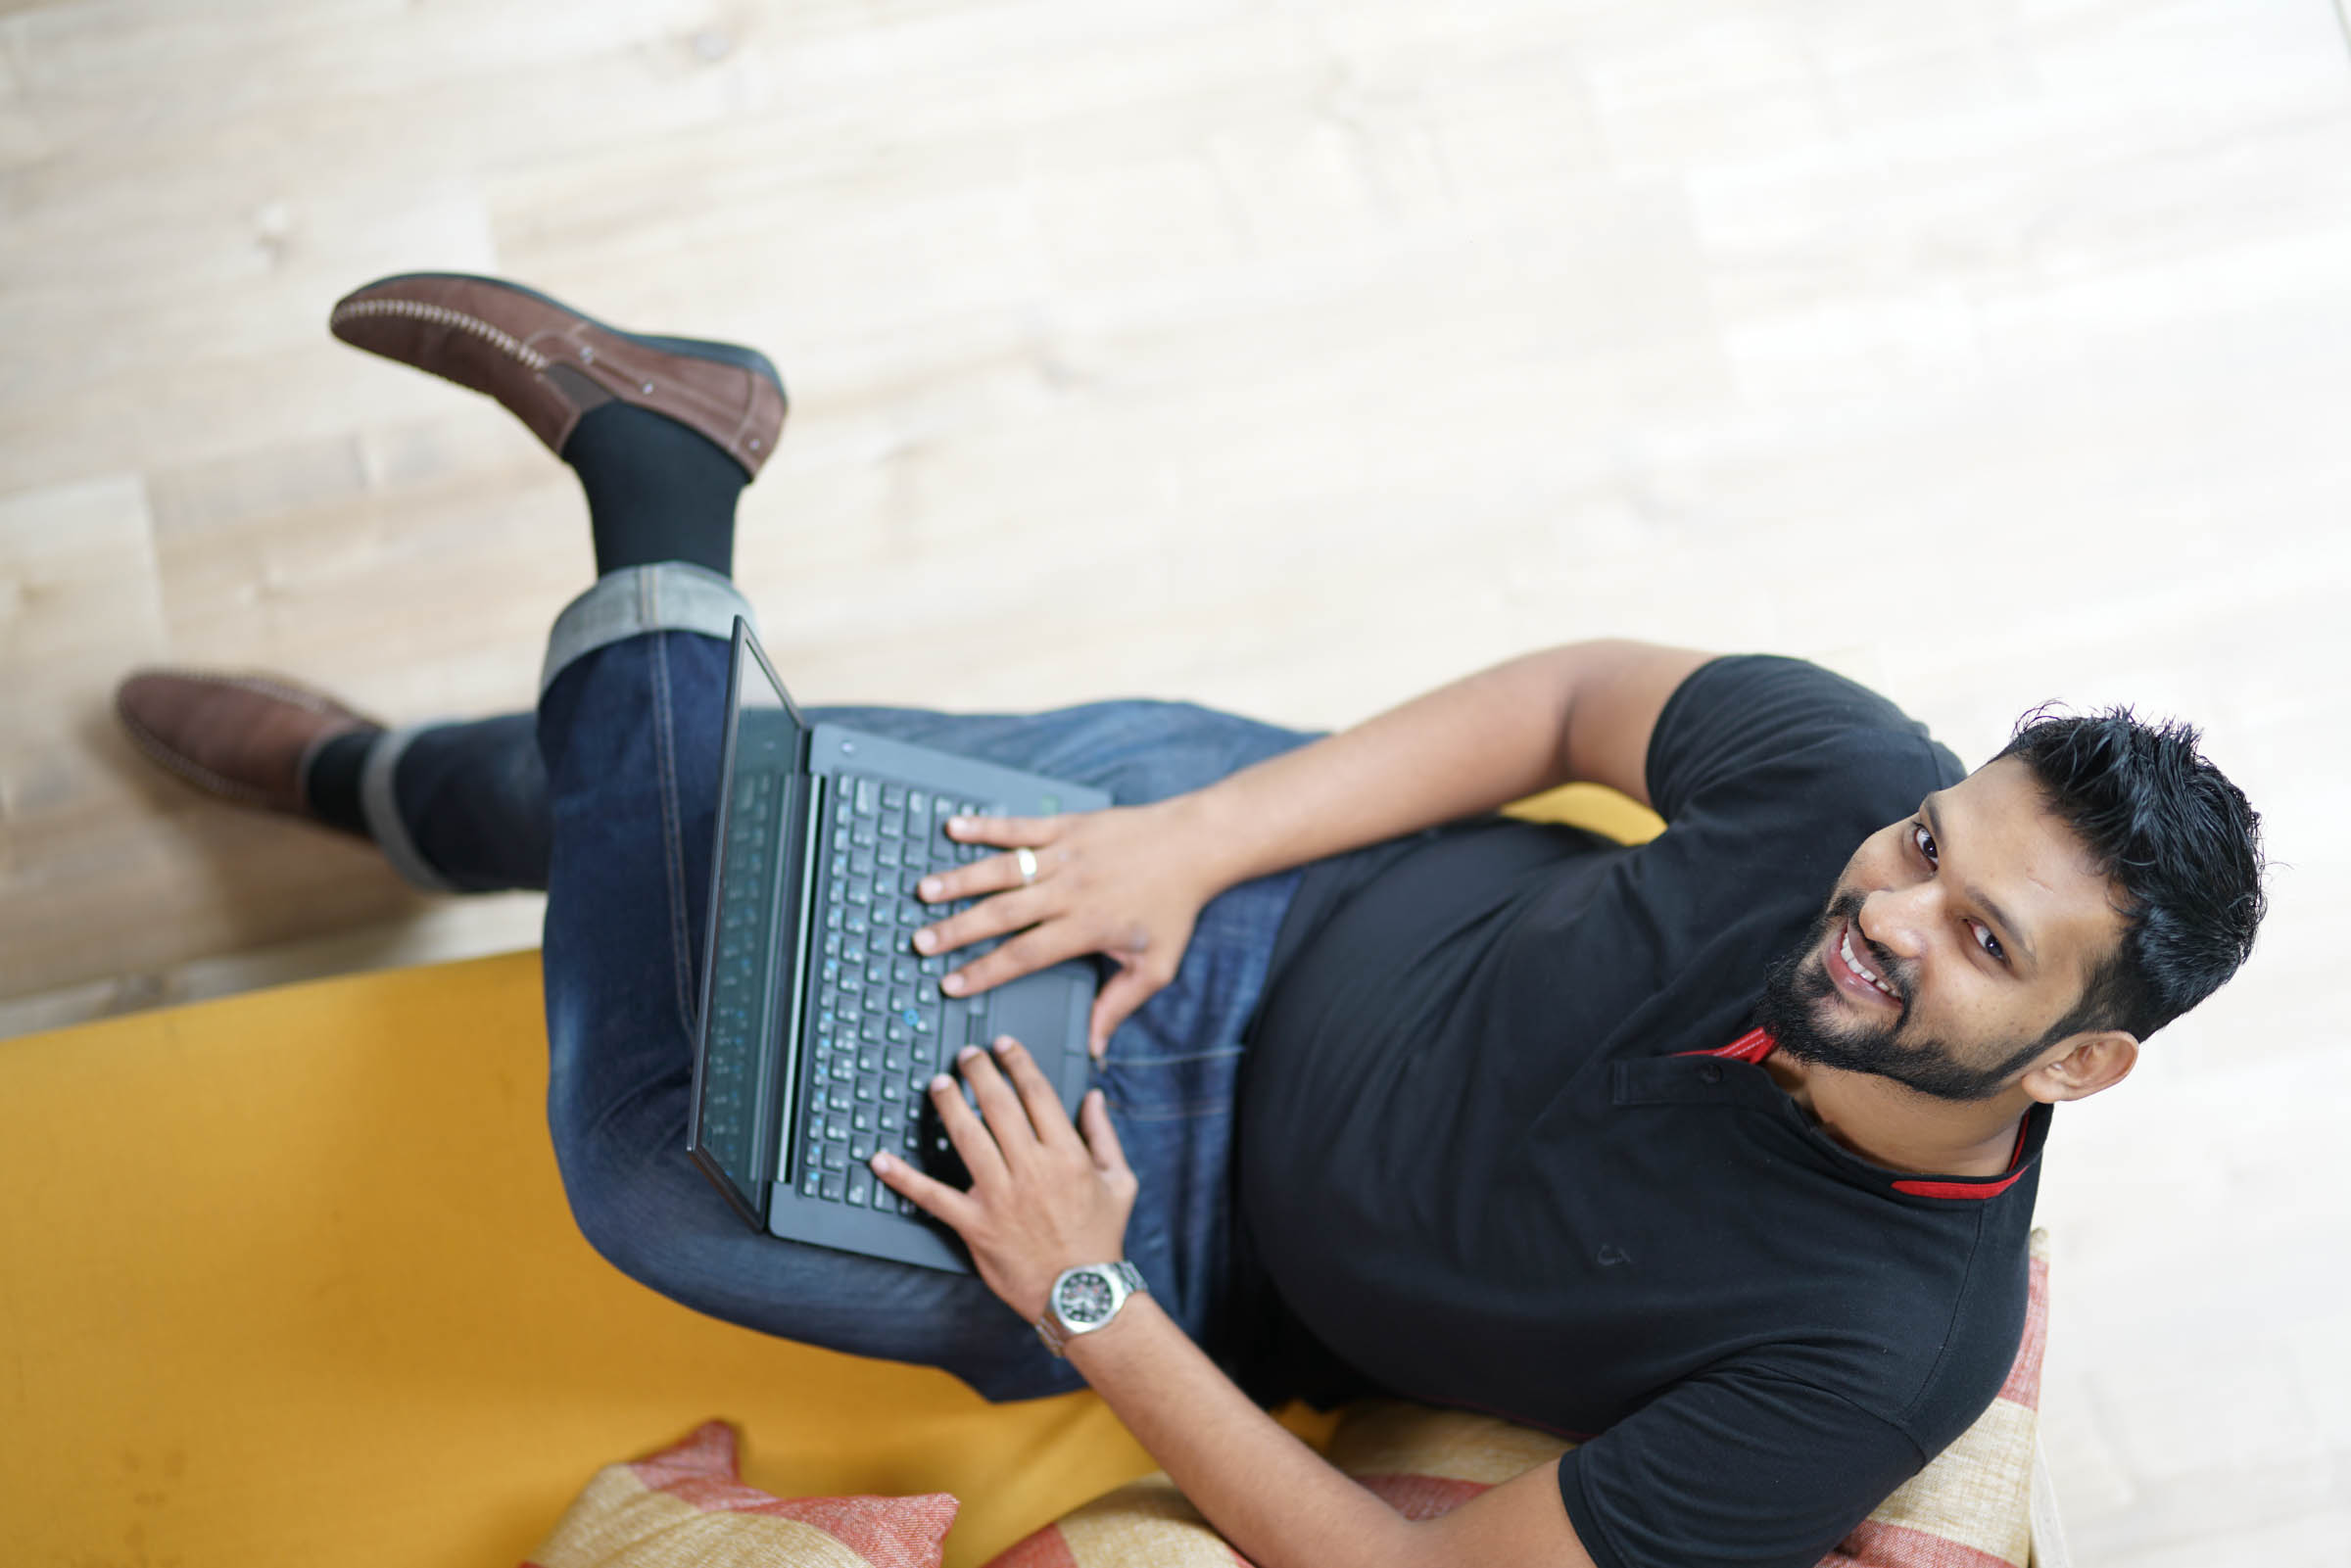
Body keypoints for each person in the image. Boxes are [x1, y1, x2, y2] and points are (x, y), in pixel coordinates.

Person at [115, 273, 2268, 1568]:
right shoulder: (1844, 781)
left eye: (1984, 945)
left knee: (659, 1182)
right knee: (759, 818)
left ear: (2085, 1061)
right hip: (1252, 883)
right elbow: (1565, 700)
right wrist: (1202, 839)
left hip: (1177, 1235)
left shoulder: (1880, 1355)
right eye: (1926, 848)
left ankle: (631, 526)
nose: (1892, 905)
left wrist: (1083, 1294)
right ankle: (397, 784)